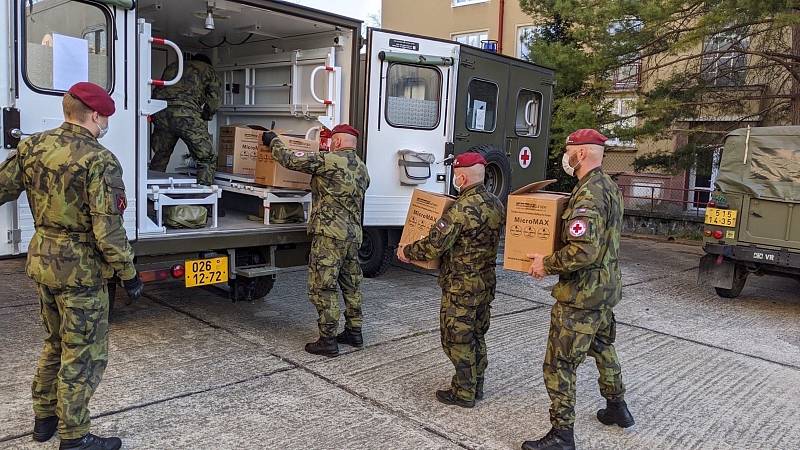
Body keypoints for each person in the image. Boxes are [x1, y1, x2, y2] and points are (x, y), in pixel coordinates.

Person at [0, 82, 143, 450]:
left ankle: (44, 420)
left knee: (55, 342)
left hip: (43, 261)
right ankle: (75, 438)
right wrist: (128, 273)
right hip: (80, 271)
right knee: (84, 354)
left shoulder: (31, 146)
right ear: (95, 115)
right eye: (106, 117)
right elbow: (107, 230)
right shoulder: (100, 160)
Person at [522, 129, 633, 450]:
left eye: (569, 150)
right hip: (604, 289)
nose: (565, 156)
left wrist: (547, 263)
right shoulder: (609, 186)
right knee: (602, 347)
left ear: (581, 154)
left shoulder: (587, 196)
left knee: (559, 364)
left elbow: (582, 250)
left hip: (582, 295)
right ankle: (617, 408)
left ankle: (561, 435)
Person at [397, 152, 505, 408]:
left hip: (461, 286)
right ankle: (476, 384)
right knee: (477, 335)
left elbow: (434, 246)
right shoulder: (496, 204)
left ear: (462, 175)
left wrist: (406, 251)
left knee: (455, 338)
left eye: (456, 173)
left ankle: (463, 391)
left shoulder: (461, 209)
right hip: (485, 283)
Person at [263, 124, 370, 357]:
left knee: (323, 286)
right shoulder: (362, 168)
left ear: (338, 142)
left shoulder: (328, 161)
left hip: (329, 235)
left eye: (332, 141)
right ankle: (355, 332)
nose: (331, 145)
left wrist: (273, 140)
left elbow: (290, 160)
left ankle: (328, 340)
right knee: (351, 284)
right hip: (353, 236)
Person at [150, 53, 221, 185]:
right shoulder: (208, 70)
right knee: (207, 158)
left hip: (162, 113)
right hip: (187, 115)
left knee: (160, 156)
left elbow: (158, 90)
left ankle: (150, 192)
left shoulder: (173, 67)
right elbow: (214, 102)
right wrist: (205, 116)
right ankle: (203, 195)